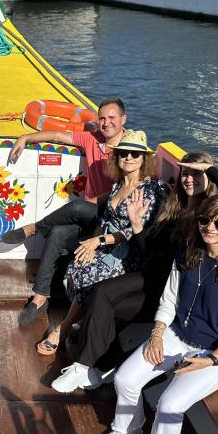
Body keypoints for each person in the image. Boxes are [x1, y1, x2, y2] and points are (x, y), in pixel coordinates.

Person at [101, 194, 218, 434]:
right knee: (125, 378)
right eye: (205, 220)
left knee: (169, 405)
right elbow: (169, 300)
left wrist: (209, 360)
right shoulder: (189, 252)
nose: (210, 227)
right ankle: (129, 428)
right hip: (177, 334)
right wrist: (158, 334)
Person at [52, 152, 218, 393]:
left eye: (196, 174)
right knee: (100, 292)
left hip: (177, 291)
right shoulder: (174, 208)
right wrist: (138, 225)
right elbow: (149, 252)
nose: (189, 179)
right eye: (185, 173)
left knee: (108, 301)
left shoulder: (212, 213)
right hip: (153, 277)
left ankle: (95, 366)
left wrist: (208, 168)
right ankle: (91, 367)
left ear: (208, 177)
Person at [3, 97, 128, 327]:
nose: (106, 123)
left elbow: (127, 189)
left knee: (78, 205)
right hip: (91, 215)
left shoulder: (129, 151)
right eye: (102, 118)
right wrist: (25, 137)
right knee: (58, 233)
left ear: (123, 119)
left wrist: (94, 200)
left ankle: (34, 227)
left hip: (112, 219)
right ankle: (41, 296)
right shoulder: (93, 140)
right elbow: (58, 136)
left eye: (112, 117)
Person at [38, 131, 162, 355]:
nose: (129, 158)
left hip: (128, 252)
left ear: (144, 159)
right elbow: (105, 219)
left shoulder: (149, 190)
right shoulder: (117, 185)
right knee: (77, 263)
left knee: (89, 274)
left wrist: (98, 241)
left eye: (135, 154)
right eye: (124, 153)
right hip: (106, 244)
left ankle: (62, 328)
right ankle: (81, 318)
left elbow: (133, 232)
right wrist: (91, 244)